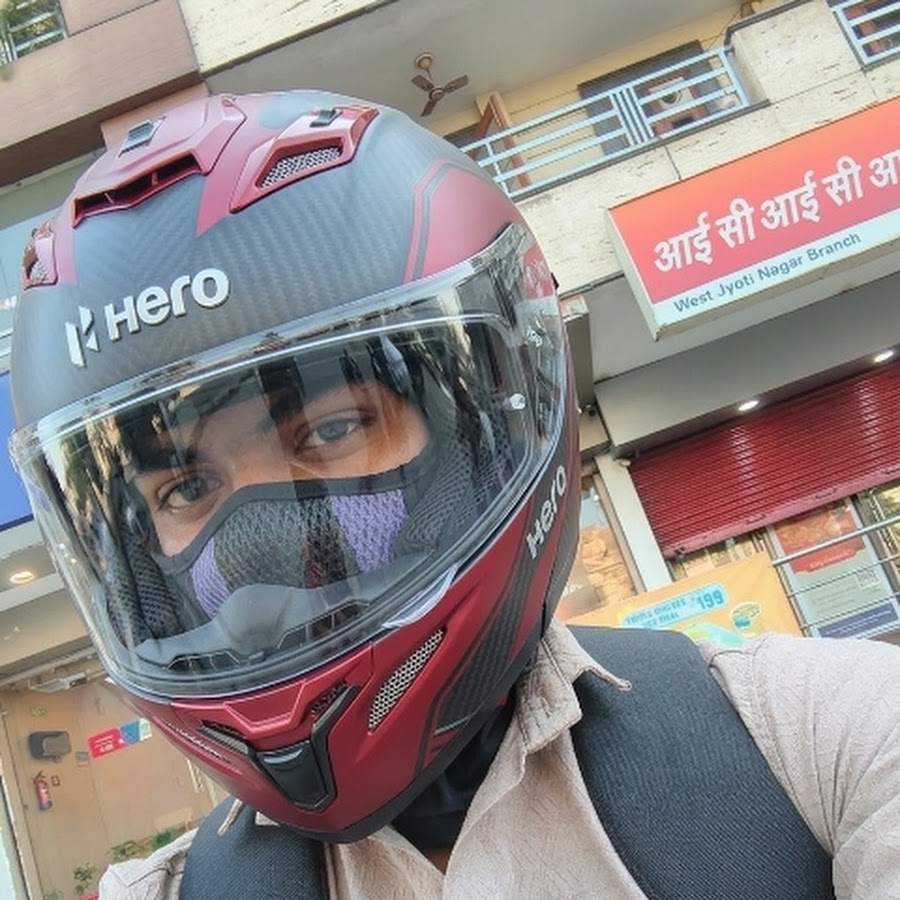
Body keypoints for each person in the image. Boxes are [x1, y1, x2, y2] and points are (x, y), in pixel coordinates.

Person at [7, 90, 900, 900]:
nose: (259, 546)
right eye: (189, 486)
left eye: (331, 429)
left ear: (485, 425)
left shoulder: (822, 740)